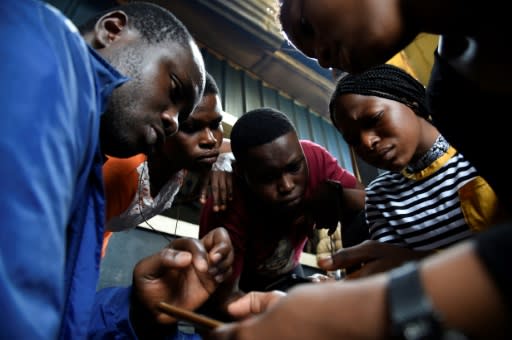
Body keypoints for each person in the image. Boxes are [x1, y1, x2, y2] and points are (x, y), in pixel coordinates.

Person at [204, 0, 512, 338]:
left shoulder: (455, 121)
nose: (321, 58)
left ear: (411, 103)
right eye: (352, 139)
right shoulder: (452, 97)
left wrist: (401, 287)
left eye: (306, 25)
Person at [0, 1, 234, 339]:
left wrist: (136, 312)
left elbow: (56, 312)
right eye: (173, 89)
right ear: (112, 31)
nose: (172, 121)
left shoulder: (87, 161)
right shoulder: (39, 55)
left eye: (183, 116)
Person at [322, 63, 505, 278]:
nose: (366, 142)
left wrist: (419, 262)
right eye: (352, 140)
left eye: (374, 119)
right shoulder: (380, 196)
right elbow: (398, 277)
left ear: (410, 102)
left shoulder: (484, 147)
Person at [199, 107, 365, 295]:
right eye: (268, 178)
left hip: (287, 271)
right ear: (241, 174)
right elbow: (224, 300)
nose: (286, 186)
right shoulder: (225, 205)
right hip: (240, 285)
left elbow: (368, 201)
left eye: (294, 168)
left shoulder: (315, 160)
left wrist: (337, 195)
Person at [102, 72, 233, 257]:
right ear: (161, 125)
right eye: (189, 128)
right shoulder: (120, 174)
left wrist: (224, 160)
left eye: (215, 124)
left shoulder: (185, 154)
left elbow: (239, 146)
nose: (210, 140)